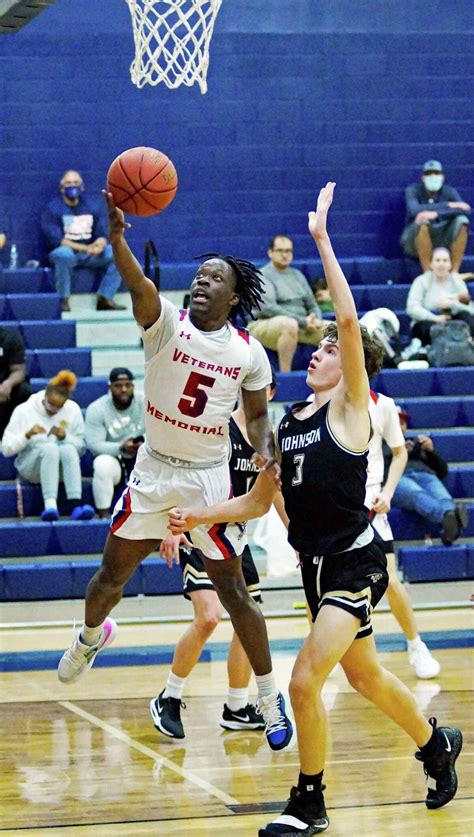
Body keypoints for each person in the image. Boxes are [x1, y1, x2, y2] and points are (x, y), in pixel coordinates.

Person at [169, 183, 463, 832]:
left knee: (304, 680)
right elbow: (259, 497)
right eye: (321, 345)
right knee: (365, 676)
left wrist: (324, 240)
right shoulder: (289, 418)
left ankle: (310, 801)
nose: (322, 350)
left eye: (330, 348)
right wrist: (198, 517)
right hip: (315, 568)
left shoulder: (352, 407)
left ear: (349, 366)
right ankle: (437, 745)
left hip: (356, 561)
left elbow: (351, 323)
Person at [57, 192, 293, 753]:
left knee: (234, 592)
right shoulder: (165, 324)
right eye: (199, 275)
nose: (201, 282)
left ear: (234, 297)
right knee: (110, 578)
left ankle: (266, 695)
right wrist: (117, 239)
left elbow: (258, 419)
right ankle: (91, 637)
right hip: (153, 471)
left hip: (208, 477)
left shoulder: (248, 353)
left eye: (214, 278)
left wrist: (267, 452)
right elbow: (139, 284)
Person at [153, 372, 278, 740]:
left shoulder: (269, 442)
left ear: (269, 393)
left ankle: (237, 706)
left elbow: (277, 495)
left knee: (247, 621)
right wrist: (170, 527)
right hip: (198, 532)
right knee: (208, 618)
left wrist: (299, 537)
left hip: (235, 540)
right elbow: (178, 473)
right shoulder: (216, 427)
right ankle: (170, 696)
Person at [366, 392, 440, 678]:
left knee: (390, 581)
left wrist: (387, 492)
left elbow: (400, 452)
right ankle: (334, 652)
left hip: (369, 505)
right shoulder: (316, 404)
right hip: (333, 508)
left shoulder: (380, 404)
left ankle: (416, 644)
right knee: (324, 589)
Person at [1, 370, 94, 521]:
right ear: (45, 395)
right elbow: (6, 449)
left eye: (58, 408)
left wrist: (66, 437)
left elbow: (82, 448)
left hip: (61, 467)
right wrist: (27, 435)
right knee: (50, 448)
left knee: (68, 448)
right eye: (50, 405)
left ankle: (75, 505)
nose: (53, 410)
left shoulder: (73, 409)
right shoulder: (24, 410)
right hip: (31, 466)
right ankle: (50, 506)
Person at [40, 169, 126, 312]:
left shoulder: (92, 206)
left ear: (82, 186)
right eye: (68, 183)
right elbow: (58, 241)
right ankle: (63, 299)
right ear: (62, 188)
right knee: (63, 254)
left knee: (116, 253)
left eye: (75, 182)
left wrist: (99, 244)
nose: (72, 186)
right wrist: (86, 248)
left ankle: (105, 298)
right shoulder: (52, 209)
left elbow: (102, 234)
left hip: (90, 253)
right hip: (68, 253)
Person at [391, 406, 467, 546]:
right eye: (395, 423)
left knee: (443, 497)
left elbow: (442, 471)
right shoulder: (378, 445)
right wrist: (400, 453)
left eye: (402, 423)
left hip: (426, 475)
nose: (400, 427)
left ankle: (449, 527)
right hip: (397, 479)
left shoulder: (414, 444)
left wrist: (431, 452)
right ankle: (450, 518)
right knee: (417, 494)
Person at [247, 235, 325, 371]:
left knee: (337, 330)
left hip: (303, 323)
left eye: (288, 251)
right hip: (264, 324)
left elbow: (312, 304)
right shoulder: (261, 275)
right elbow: (267, 309)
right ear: (270, 253)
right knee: (289, 325)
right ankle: (286, 375)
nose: (285, 255)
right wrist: (303, 321)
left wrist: (316, 319)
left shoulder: (298, 275)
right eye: (280, 250)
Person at [85, 367, 145, 519]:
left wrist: (142, 442)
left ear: (133, 386)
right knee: (102, 463)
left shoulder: (145, 402)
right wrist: (120, 447)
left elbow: (159, 432)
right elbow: (94, 445)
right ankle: (104, 515)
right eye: (118, 385)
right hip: (115, 457)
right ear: (109, 387)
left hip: (144, 456)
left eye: (127, 385)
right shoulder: (97, 408)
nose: (123, 389)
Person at [401, 160, 471, 273]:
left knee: (462, 221)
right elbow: (414, 210)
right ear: (423, 178)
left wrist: (437, 214)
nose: (433, 177)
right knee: (423, 220)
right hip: (413, 240)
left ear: (442, 177)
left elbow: (465, 209)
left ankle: (454, 272)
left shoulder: (450, 191)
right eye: (429, 174)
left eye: (436, 173)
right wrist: (448, 205)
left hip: (442, 237)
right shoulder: (412, 190)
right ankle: (428, 273)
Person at [406, 246, 474, 346]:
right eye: (437, 260)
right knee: (421, 328)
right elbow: (412, 308)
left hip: (453, 321)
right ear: (431, 264)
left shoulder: (458, 282)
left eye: (445, 260)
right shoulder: (421, 281)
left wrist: (452, 304)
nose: (441, 264)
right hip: (430, 321)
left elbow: (470, 309)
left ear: (450, 264)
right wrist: (433, 317)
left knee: (468, 318)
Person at [0, 324, 32, 439]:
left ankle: (22, 435)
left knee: (24, 390)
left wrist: (7, 384)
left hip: (6, 386)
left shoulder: (10, 337)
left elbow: (19, 370)